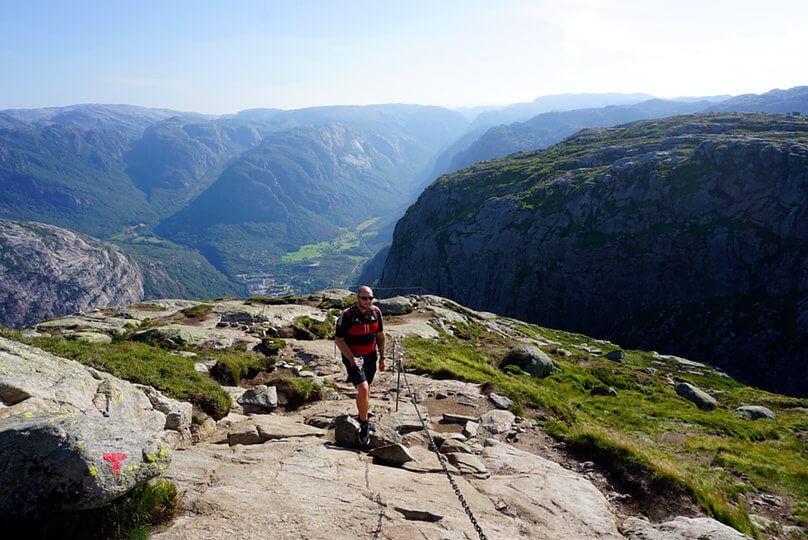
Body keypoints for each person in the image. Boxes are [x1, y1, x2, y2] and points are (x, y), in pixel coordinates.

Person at [335, 285, 386, 446]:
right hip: (354, 358)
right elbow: (339, 339)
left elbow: (380, 335)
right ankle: (364, 423)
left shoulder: (376, 313)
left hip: (371, 357)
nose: (368, 301)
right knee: (363, 389)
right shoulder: (348, 314)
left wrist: (382, 357)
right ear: (358, 298)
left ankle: (362, 412)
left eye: (370, 298)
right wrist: (351, 358)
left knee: (366, 388)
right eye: (364, 298)